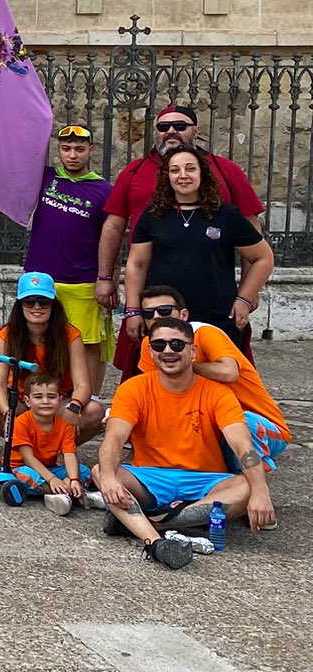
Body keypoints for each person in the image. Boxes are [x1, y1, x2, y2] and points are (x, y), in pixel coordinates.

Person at [97, 103, 263, 375]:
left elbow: (255, 241)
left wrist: (247, 293)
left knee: (221, 373)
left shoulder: (226, 172)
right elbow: (115, 228)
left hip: (214, 300)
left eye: (180, 126)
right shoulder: (135, 172)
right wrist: (110, 282)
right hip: (155, 302)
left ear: (196, 131)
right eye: (164, 127)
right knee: (149, 373)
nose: (171, 131)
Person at [99, 316, 277, 569]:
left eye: (177, 344)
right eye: (159, 345)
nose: (168, 351)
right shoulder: (133, 388)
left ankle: (147, 522)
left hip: (204, 479)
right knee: (102, 471)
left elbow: (243, 446)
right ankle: (155, 542)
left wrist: (261, 491)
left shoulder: (218, 392)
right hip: (151, 478)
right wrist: (107, 476)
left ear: (193, 351)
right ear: (150, 351)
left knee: (246, 487)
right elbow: (114, 437)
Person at [122, 143, 272, 356]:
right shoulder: (153, 215)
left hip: (217, 316)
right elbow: (137, 265)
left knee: (219, 377)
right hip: (165, 317)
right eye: (175, 170)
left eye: (190, 168)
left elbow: (263, 258)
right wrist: (134, 310)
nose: (183, 175)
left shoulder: (226, 216)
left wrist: (244, 299)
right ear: (167, 177)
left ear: (203, 174)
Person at [133, 284, 290, 456]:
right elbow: (155, 394)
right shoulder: (150, 344)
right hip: (208, 421)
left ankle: (248, 472)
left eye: (164, 311)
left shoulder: (205, 333)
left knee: (240, 423)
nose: (156, 317)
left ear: (183, 315)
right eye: (148, 313)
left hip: (258, 425)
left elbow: (229, 372)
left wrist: (180, 366)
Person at [25, 125, 114, 364]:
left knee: (88, 343)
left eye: (79, 149)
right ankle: (41, 393)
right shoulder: (44, 178)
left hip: (82, 280)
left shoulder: (104, 190)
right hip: (40, 279)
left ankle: (91, 397)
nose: (72, 155)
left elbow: (113, 240)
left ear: (90, 150)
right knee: (38, 340)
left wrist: (108, 280)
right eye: (66, 149)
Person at [0, 272, 104, 441]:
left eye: (44, 302)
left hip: (57, 400)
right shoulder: (6, 335)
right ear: (20, 305)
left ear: (53, 305)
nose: (36, 307)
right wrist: (6, 412)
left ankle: (61, 449)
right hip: (23, 401)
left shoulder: (70, 335)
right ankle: (22, 449)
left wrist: (73, 407)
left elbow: (83, 385)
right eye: (30, 301)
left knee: (94, 412)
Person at [10, 373, 102, 516]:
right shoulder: (21, 423)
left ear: (60, 400)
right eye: (38, 397)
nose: (45, 401)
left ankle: (65, 490)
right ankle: (67, 493)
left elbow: (69, 454)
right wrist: (52, 479)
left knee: (83, 471)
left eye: (51, 397)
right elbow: (29, 459)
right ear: (27, 401)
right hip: (22, 467)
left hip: (49, 468)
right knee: (26, 477)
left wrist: (73, 479)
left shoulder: (64, 426)